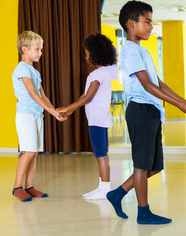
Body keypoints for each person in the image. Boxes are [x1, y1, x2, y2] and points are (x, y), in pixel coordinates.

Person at [106, 0, 186, 224]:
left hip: (151, 111)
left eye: (151, 22)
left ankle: (117, 194)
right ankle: (143, 213)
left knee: (154, 166)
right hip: (141, 110)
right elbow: (148, 87)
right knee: (142, 164)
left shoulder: (141, 51)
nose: (151, 27)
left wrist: (182, 100)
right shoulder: (129, 51)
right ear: (130, 23)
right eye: (146, 22)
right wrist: (179, 105)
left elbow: (158, 83)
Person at [57, 33, 117, 200]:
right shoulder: (104, 72)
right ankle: (102, 186)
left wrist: (67, 107)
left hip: (97, 120)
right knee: (103, 153)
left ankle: (105, 189)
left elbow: (88, 97)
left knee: (100, 155)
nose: (85, 56)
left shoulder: (97, 74)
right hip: (101, 119)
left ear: (95, 53)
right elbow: (85, 97)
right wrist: (71, 110)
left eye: (87, 52)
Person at [12, 31, 65, 202]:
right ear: (25, 49)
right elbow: (33, 94)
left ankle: (30, 186)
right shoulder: (21, 69)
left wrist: (54, 112)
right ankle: (17, 187)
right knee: (28, 151)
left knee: (34, 153)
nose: (40, 53)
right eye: (38, 49)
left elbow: (43, 96)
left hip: (37, 115)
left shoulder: (34, 71)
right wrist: (50, 111)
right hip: (26, 115)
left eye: (41, 49)